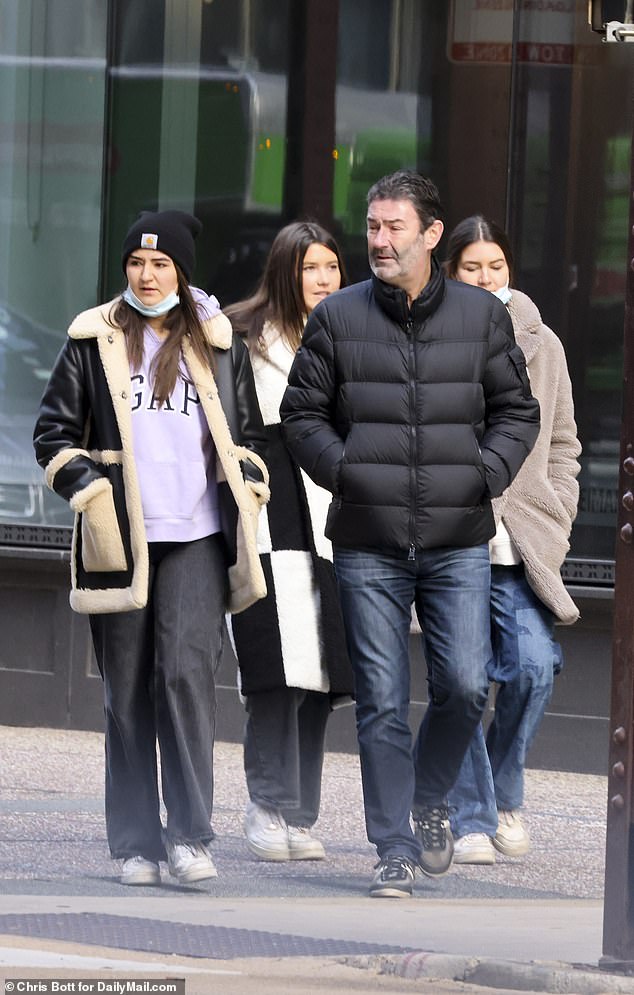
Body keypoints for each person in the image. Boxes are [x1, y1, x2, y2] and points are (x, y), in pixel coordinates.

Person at [280, 170, 541, 899]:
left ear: (431, 234)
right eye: (372, 225)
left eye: (394, 227)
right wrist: (351, 471)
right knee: (382, 698)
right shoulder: (337, 317)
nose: (379, 240)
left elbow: (519, 413)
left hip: (458, 533)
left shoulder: (483, 317)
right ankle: (392, 844)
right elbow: (301, 417)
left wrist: (482, 474)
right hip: (366, 537)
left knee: (463, 683)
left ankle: (430, 799)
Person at [33, 210, 269, 887]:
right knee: (127, 689)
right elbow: (52, 434)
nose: (146, 273)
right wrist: (91, 493)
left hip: (196, 534)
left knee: (186, 676)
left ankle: (191, 835)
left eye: (160, 264)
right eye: (137, 262)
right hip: (121, 541)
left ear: (182, 271)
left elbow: (248, 437)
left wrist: (249, 490)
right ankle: (137, 841)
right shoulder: (92, 338)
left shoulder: (219, 342)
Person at [435, 215, 581, 865]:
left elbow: (565, 444)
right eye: (472, 267)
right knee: (463, 677)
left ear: (510, 271)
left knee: (534, 665)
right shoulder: (428, 335)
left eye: (495, 266)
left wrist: (559, 513)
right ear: (450, 273)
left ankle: (501, 790)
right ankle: (471, 815)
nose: (486, 277)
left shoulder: (543, 343)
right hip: (452, 536)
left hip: (520, 543)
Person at [225, 221, 354, 862]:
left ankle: (301, 815)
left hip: (335, 516)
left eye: (331, 267)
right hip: (269, 515)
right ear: (285, 272)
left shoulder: (357, 333)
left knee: (324, 669)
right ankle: (266, 803)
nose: (324, 280)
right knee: (277, 666)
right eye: (311, 268)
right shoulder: (242, 338)